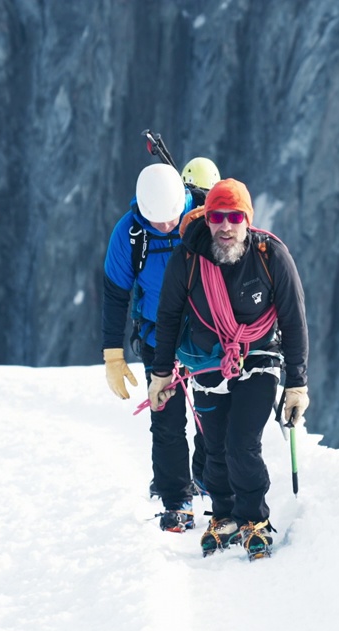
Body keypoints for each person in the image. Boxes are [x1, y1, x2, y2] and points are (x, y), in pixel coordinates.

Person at [147, 178, 309, 561]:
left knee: (242, 443)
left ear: (247, 220)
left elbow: (293, 319)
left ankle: (254, 517)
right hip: (206, 360)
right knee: (214, 445)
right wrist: (161, 372)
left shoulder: (271, 256)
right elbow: (168, 316)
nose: (225, 226)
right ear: (208, 219)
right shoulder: (189, 257)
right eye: (218, 216)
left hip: (259, 359)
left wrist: (297, 384)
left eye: (234, 217)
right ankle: (223, 514)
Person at [101, 161, 216, 532]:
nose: (167, 227)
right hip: (158, 340)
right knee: (166, 420)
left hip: (205, 333)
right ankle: (176, 499)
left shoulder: (202, 219)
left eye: (171, 219)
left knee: (212, 415)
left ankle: (209, 481)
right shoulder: (130, 234)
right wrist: (112, 354)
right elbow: (116, 294)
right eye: (159, 222)